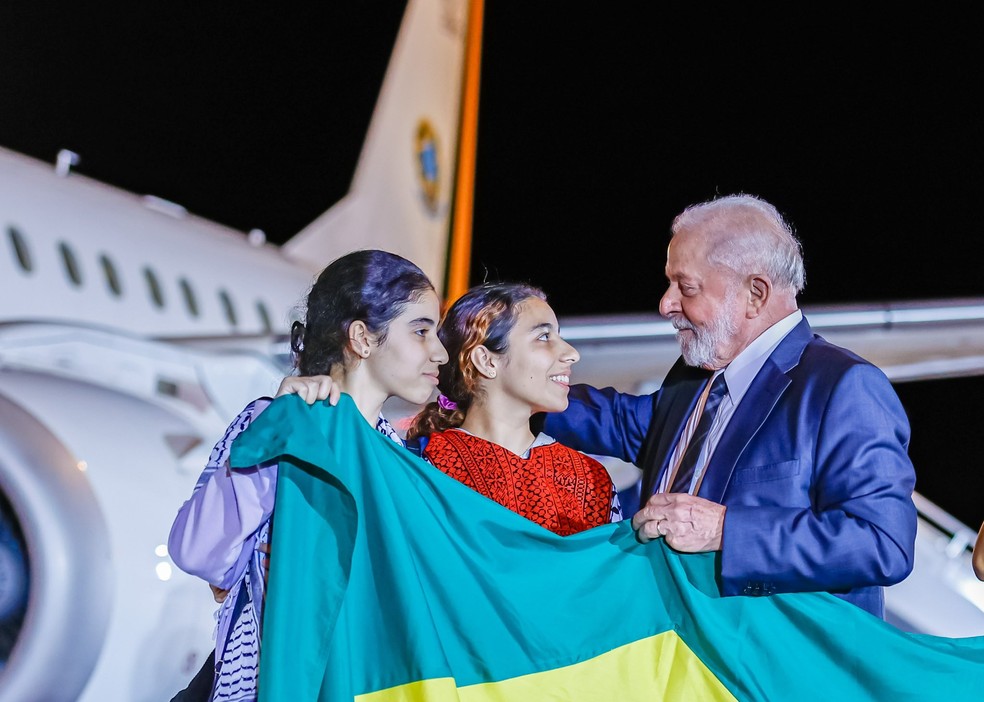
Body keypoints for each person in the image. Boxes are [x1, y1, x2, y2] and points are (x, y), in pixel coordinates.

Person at [540, 193, 917, 618]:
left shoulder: (845, 387)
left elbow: (883, 542)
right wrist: (515, 384)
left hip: (775, 674)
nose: (666, 304)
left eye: (686, 287)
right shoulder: (692, 378)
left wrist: (725, 529)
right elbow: (615, 421)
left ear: (755, 294)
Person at [167, 249, 448, 702]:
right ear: (362, 337)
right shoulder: (276, 421)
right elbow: (200, 552)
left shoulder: (404, 463)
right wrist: (281, 431)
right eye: (420, 330)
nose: (439, 351)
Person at [406, 282, 621, 534]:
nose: (571, 353)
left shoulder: (593, 481)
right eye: (543, 337)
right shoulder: (421, 466)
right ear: (486, 361)